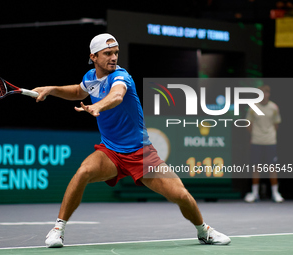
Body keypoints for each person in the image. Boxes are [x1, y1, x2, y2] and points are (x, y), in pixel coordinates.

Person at [33, 33, 231, 248]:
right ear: (94, 56)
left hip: (141, 154)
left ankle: (204, 231)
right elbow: (77, 91)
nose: (113, 57)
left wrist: (98, 106)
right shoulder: (91, 77)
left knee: (181, 195)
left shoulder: (121, 77)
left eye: (116, 53)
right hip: (111, 152)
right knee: (83, 172)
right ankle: (58, 230)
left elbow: (117, 96)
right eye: (108, 53)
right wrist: (52, 89)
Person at [244, 84, 284, 203]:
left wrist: (268, 135)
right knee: (256, 167)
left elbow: (276, 125)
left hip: (270, 142)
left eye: (266, 93)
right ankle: (255, 193)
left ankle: (275, 193)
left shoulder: (274, 108)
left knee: (272, 167)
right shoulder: (253, 107)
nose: (264, 95)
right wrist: (256, 135)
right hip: (256, 141)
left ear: (268, 94)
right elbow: (248, 124)